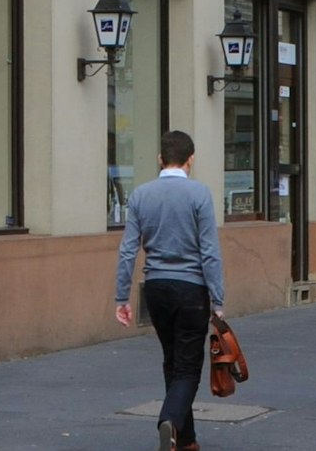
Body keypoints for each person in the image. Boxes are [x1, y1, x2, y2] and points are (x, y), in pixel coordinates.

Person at [114, 130, 225, 451]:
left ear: (160, 159)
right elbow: (209, 251)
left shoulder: (141, 195)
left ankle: (185, 440)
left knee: (172, 360)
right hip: (191, 288)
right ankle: (169, 420)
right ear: (191, 160)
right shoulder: (199, 194)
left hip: (156, 288)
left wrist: (122, 296)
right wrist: (218, 299)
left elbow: (128, 250)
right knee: (188, 366)